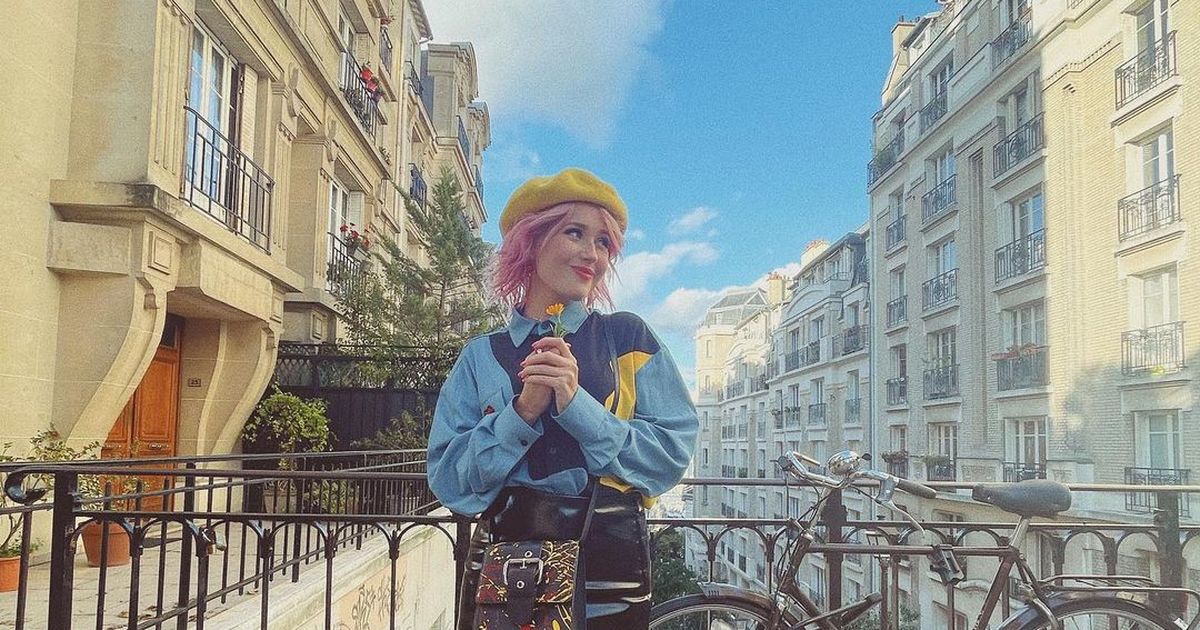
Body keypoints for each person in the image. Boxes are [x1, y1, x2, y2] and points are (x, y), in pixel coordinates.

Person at [427, 168, 698, 629]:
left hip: (610, 572)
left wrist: (577, 407)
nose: (593, 254)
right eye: (575, 233)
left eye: (604, 242)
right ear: (530, 241)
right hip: (508, 572)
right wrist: (521, 413)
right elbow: (450, 481)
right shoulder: (480, 356)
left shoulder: (627, 338)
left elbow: (669, 457)